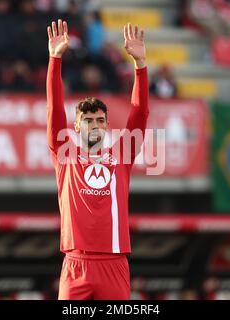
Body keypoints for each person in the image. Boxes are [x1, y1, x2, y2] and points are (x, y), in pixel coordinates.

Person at [46, 19, 148, 300]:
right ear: (77, 126)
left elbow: (139, 115)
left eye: (99, 120)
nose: (94, 124)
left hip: (114, 263)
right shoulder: (65, 154)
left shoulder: (121, 154)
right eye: (87, 120)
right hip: (75, 264)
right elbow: (54, 110)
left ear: (105, 125)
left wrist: (140, 67)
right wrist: (55, 60)